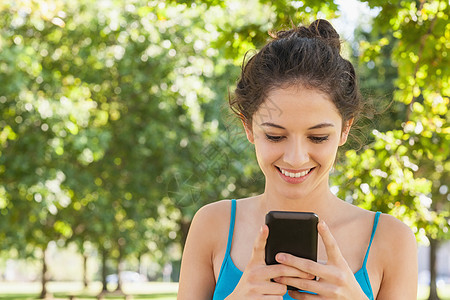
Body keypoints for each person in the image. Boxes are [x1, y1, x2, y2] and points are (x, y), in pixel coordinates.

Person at [177, 19, 418, 300]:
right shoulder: (212, 225)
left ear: (345, 129)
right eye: (275, 136)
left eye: (317, 138)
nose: (295, 158)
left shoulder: (391, 239)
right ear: (248, 127)